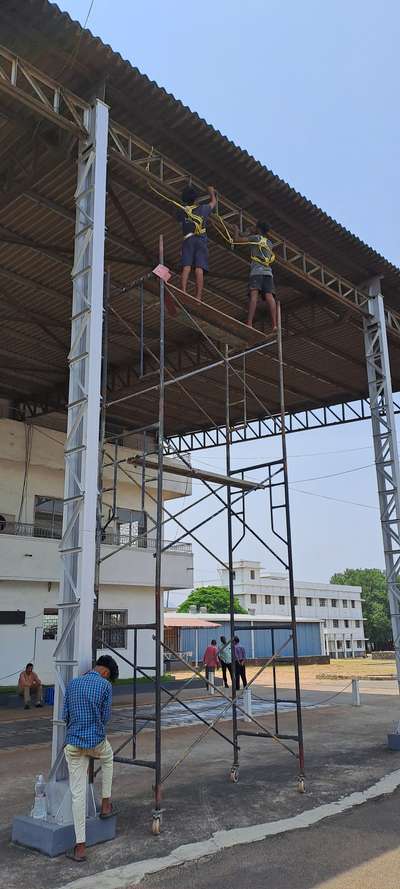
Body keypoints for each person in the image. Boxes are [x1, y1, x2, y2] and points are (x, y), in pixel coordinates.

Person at [62, 654, 119, 863]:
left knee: (78, 794)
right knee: (109, 757)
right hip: (96, 742)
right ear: (106, 672)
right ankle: (105, 803)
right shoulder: (105, 686)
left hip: (74, 744)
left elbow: (64, 716)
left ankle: (80, 847)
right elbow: (105, 718)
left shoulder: (73, 683)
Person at [234, 221, 277, 330]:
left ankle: (249, 323)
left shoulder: (255, 238)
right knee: (269, 297)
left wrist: (236, 230)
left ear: (258, 229)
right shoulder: (270, 243)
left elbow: (237, 240)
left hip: (257, 272)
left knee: (254, 296)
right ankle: (275, 325)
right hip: (268, 273)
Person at [179, 184, 217, 301]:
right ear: (195, 199)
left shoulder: (183, 211)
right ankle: (199, 297)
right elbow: (213, 203)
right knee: (199, 268)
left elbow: (177, 221)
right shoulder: (203, 209)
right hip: (201, 240)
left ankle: (183, 291)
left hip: (188, 239)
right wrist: (211, 193)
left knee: (186, 266)